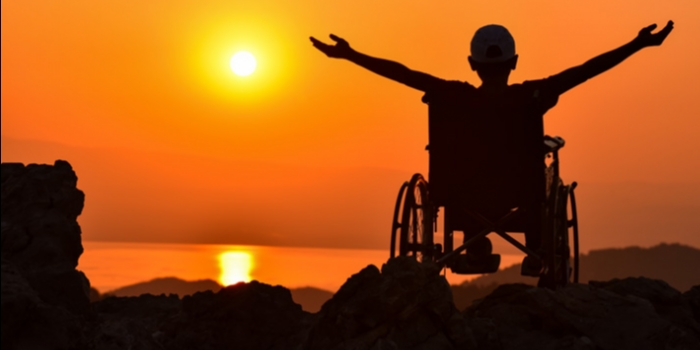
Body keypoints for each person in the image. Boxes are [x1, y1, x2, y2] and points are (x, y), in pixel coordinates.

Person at [310, 21, 674, 273]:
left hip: (460, 195)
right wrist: (637, 44)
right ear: (513, 63)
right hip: (522, 194)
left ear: (472, 64)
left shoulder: (451, 96)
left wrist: (351, 54)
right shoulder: (532, 96)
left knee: (470, 172)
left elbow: (404, 74)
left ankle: (475, 244)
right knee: (541, 167)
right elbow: (586, 70)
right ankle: (537, 249)